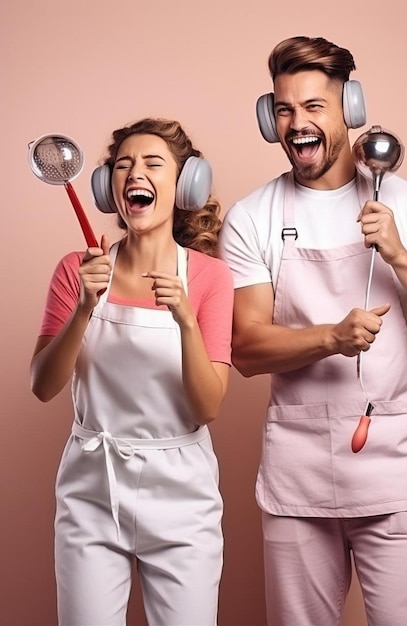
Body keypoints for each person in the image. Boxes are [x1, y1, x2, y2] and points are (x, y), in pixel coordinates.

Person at [219, 36, 407, 626]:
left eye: (314, 107)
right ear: (268, 117)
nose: (297, 123)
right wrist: (330, 337)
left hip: (393, 466)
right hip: (297, 472)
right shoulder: (253, 217)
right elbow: (247, 350)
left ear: (349, 110)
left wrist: (400, 256)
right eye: (283, 109)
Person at [31, 117, 234, 626]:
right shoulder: (76, 269)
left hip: (181, 495)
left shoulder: (210, 277)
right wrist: (83, 307)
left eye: (151, 163)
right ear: (108, 189)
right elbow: (42, 385)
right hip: (91, 488)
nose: (133, 174)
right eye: (122, 165)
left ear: (185, 183)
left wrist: (187, 320)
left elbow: (208, 406)